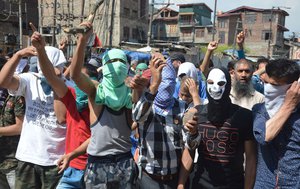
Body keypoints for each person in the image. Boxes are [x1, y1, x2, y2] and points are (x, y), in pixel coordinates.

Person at [29, 24, 98, 189]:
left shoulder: (103, 100)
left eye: (84, 80)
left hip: (96, 169)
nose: (80, 83)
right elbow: (51, 77)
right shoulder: (71, 95)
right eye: (77, 80)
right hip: (71, 169)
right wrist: (40, 50)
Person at [69, 22, 136, 189]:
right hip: (98, 163)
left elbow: (135, 122)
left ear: (127, 67)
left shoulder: (130, 93)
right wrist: (82, 41)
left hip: (125, 161)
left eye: (121, 61)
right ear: (104, 67)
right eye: (112, 61)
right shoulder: (95, 90)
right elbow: (75, 75)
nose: (117, 65)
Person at [0, 40, 67, 188]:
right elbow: (3, 81)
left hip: (55, 161)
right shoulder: (31, 79)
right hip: (27, 157)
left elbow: (62, 118)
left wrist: (54, 79)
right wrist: (18, 55)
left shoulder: (66, 86)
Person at [178, 67, 256, 189]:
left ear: (228, 85)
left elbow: (251, 158)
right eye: (210, 83)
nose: (215, 87)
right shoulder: (197, 113)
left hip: (233, 184)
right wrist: (181, 184)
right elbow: (189, 150)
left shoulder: (244, 116)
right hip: (200, 183)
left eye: (221, 83)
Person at [131, 51, 199, 189]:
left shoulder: (181, 107)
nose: (166, 85)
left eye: (169, 81)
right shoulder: (147, 105)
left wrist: (194, 133)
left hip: (174, 180)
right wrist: (154, 85)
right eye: (162, 81)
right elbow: (137, 116)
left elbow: (190, 146)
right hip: (148, 179)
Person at [253, 59, 300, 188]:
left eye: (274, 85)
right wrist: (288, 106)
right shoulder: (260, 110)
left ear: (293, 87)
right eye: (266, 83)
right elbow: (264, 137)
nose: (267, 89)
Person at [0, 58, 26, 189]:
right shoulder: (7, 95)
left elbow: (20, 127)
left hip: (13, 160)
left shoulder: (18, 95)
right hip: (3, 159)